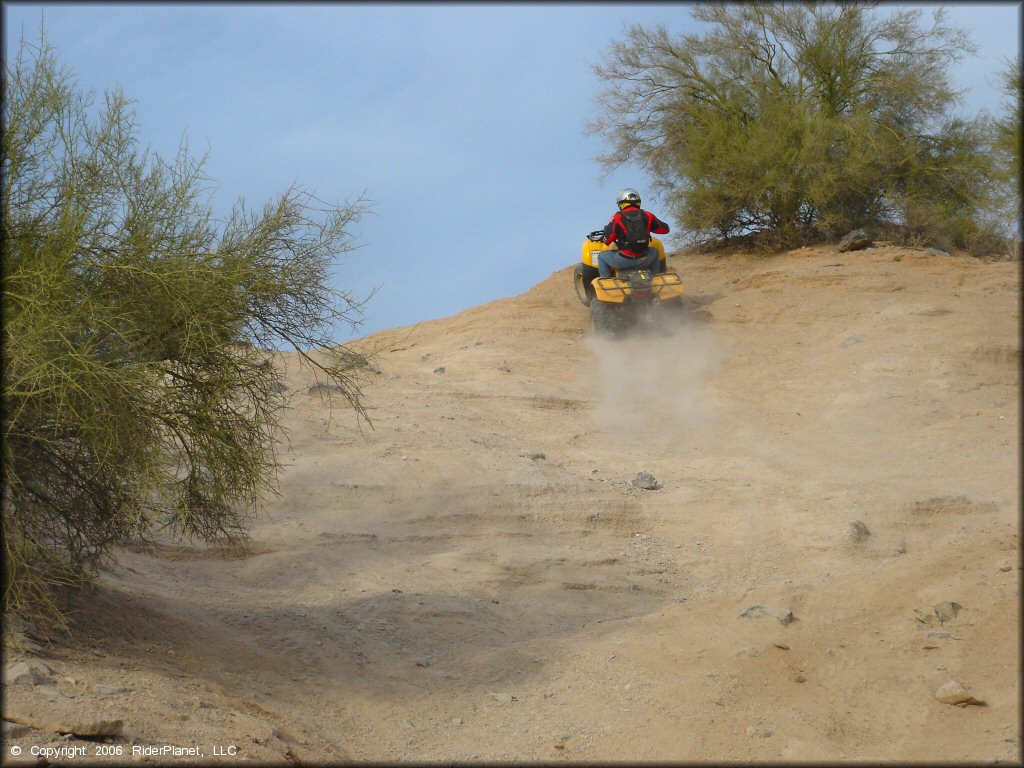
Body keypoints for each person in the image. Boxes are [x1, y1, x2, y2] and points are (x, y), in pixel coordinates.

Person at [597, 188, 670, 278]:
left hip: (623, 261)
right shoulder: (648, 215)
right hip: (644, 259)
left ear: (621, 203)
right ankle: (655, 279)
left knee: (601, 256)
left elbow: (608, 240)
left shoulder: (618, 217)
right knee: (654, 251)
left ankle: (606, 283)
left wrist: (605, 235)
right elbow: (665, 230)